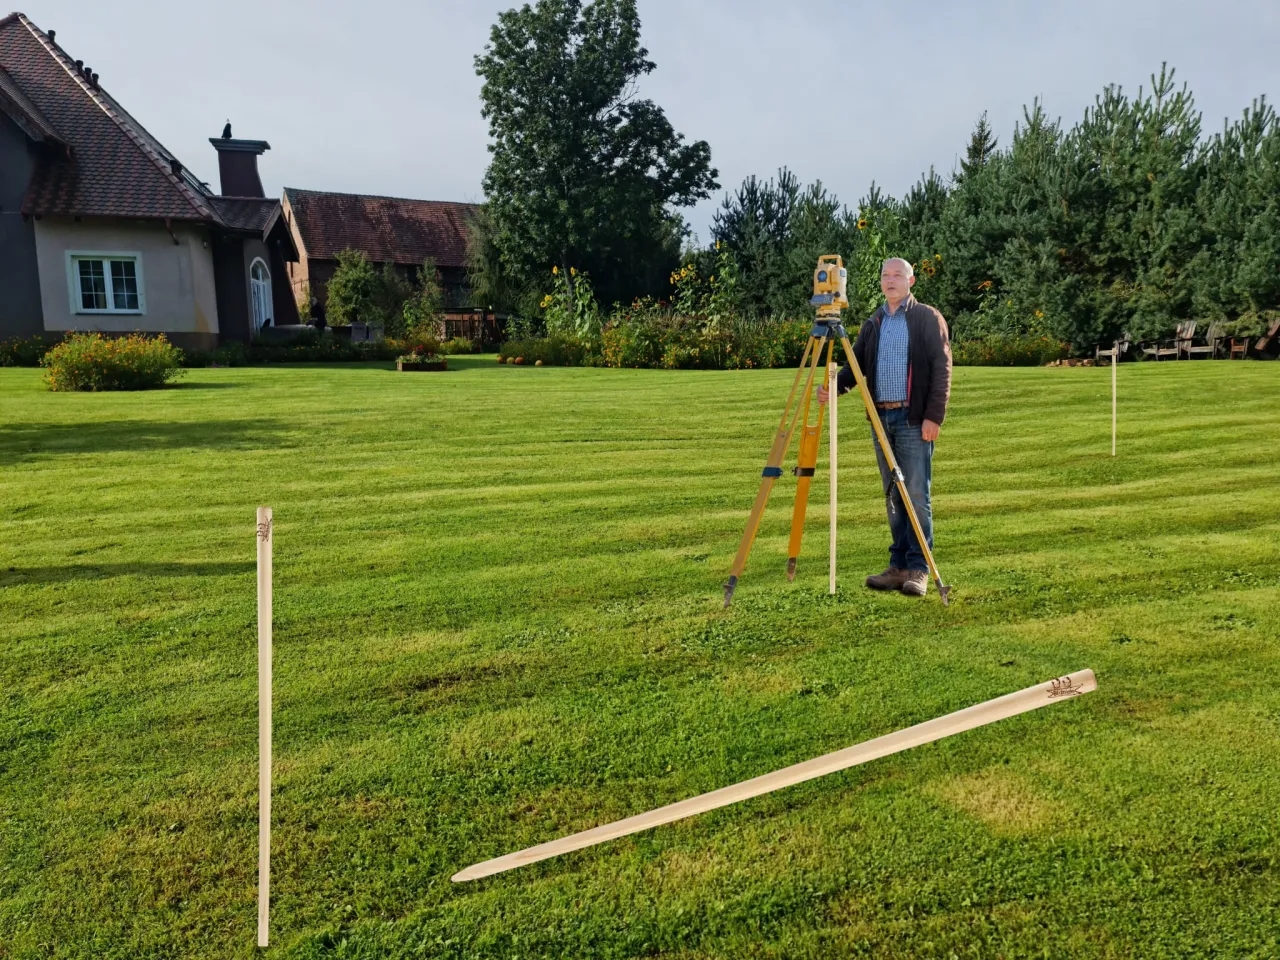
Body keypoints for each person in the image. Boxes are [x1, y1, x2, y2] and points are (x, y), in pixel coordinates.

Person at [817, 258, 952, 596]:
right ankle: (898, 566)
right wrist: (834, 388)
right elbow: (856, 366)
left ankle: (919, 569)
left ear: (911, 280)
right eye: (885, 276)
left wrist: (934, 416)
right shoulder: (874, 322)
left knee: (916, 495)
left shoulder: (926, 318)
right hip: (881, 419)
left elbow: (942, 368)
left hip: (913, 419)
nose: (890, 281)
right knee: (893, 496)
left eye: (897, 275)